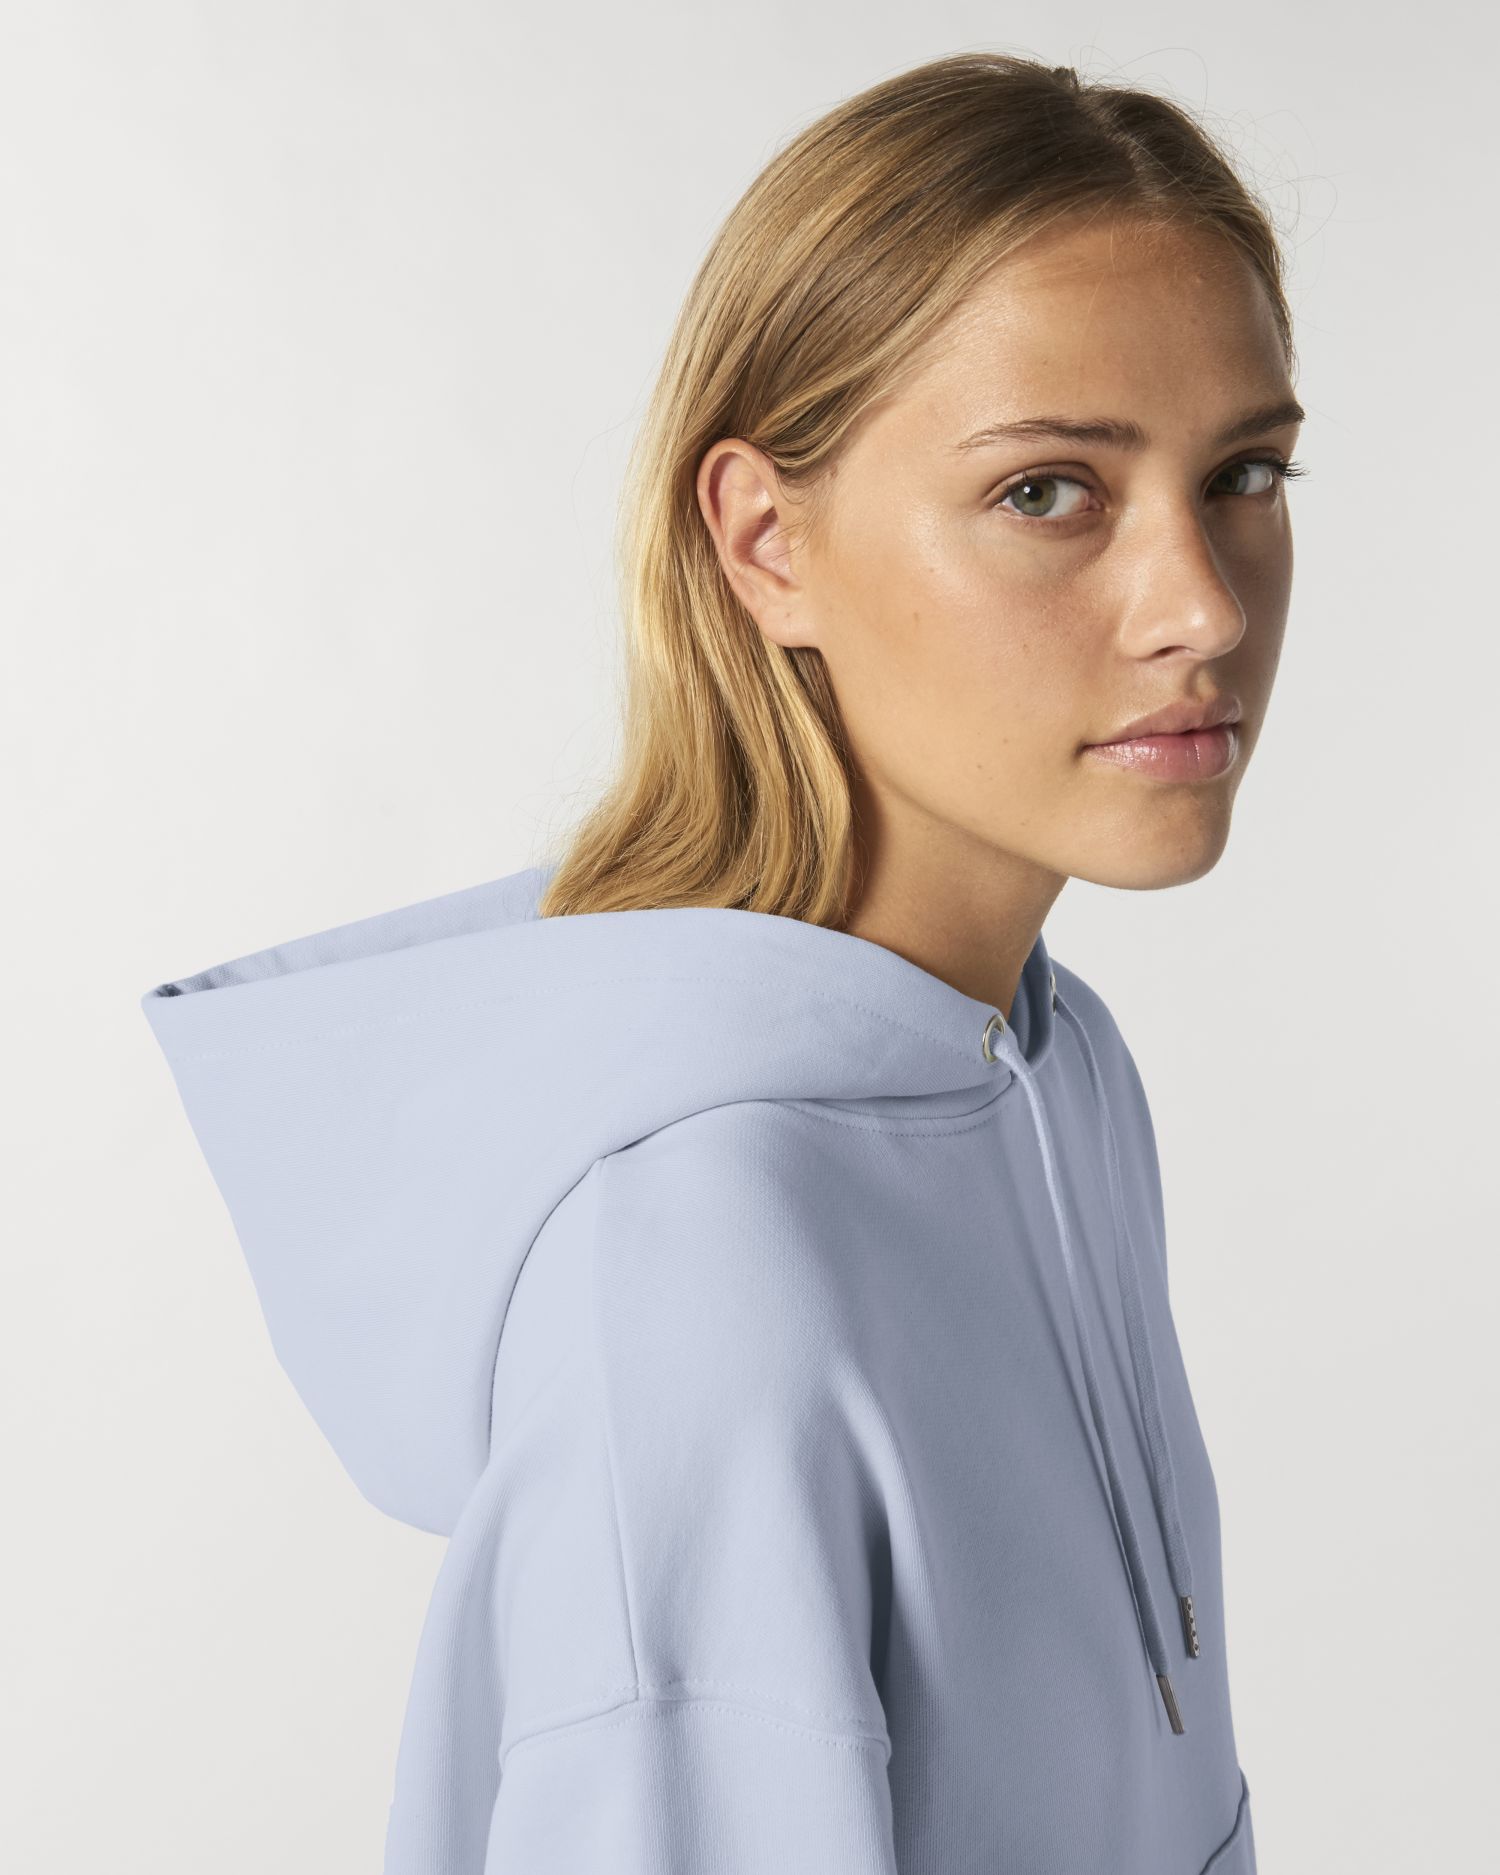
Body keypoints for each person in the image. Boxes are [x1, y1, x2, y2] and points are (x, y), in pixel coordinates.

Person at [142, 51, 1301, 1874]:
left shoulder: (1054, 1066)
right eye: (1047, 492)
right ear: (768, 544)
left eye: (1243, 473)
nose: (1205, 604)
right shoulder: (699, 1270)